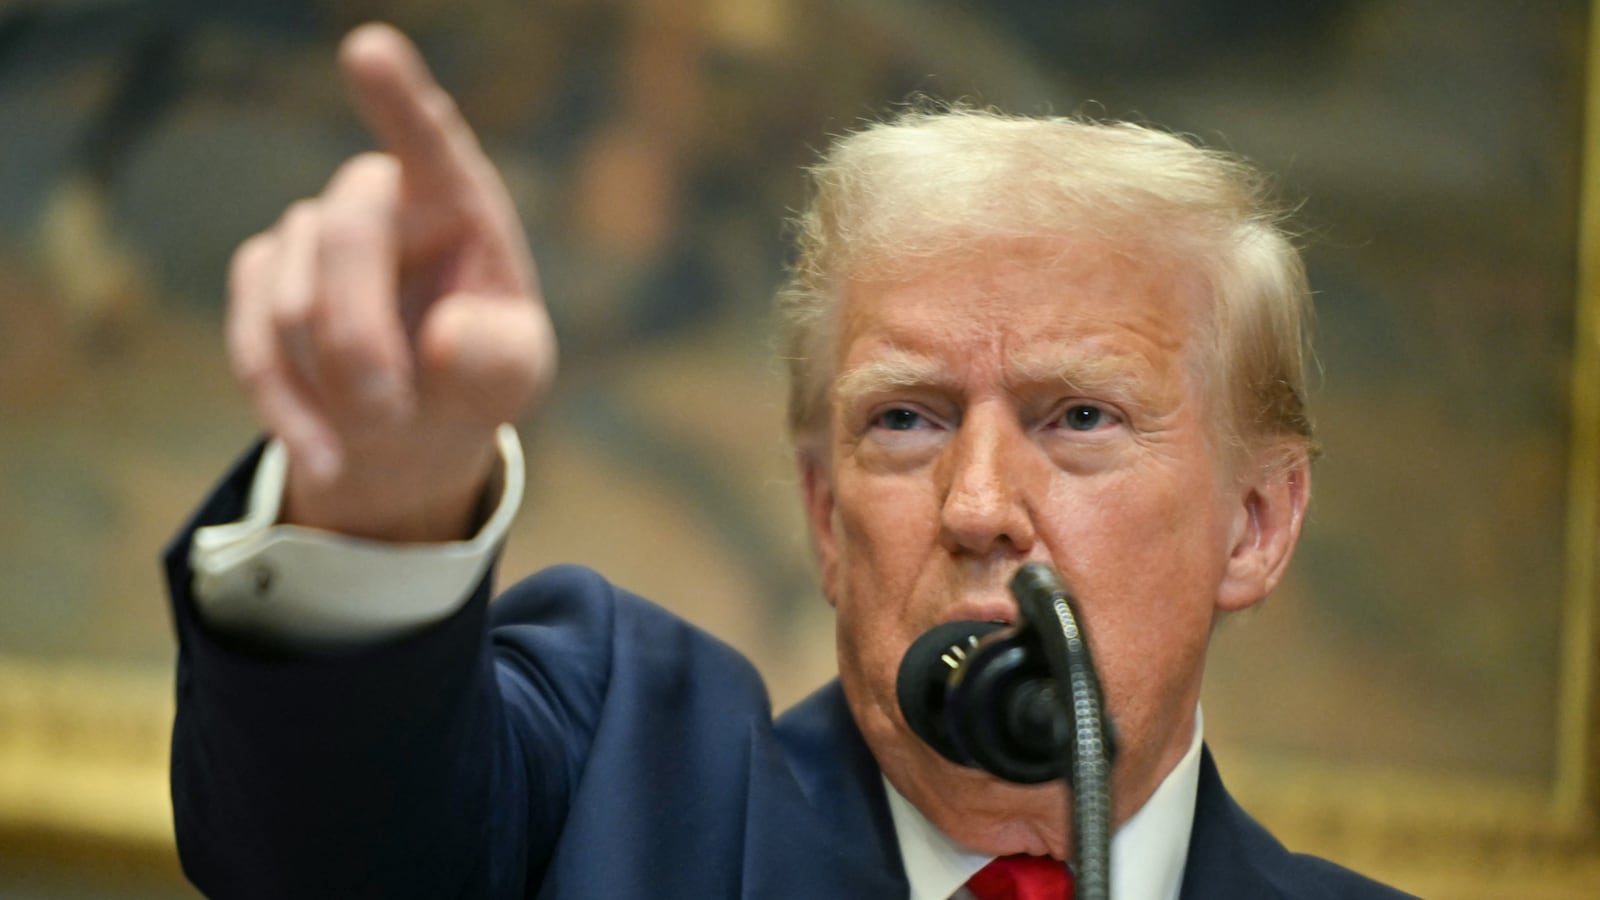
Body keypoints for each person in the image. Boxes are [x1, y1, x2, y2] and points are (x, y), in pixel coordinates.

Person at [165, 22, 1413, 900]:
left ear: (1254, 524)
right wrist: (379, 505)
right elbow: (328, 848)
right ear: (824, 516)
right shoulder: (612, 778)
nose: (978, 507)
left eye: (1079, 419)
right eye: (906, 421)